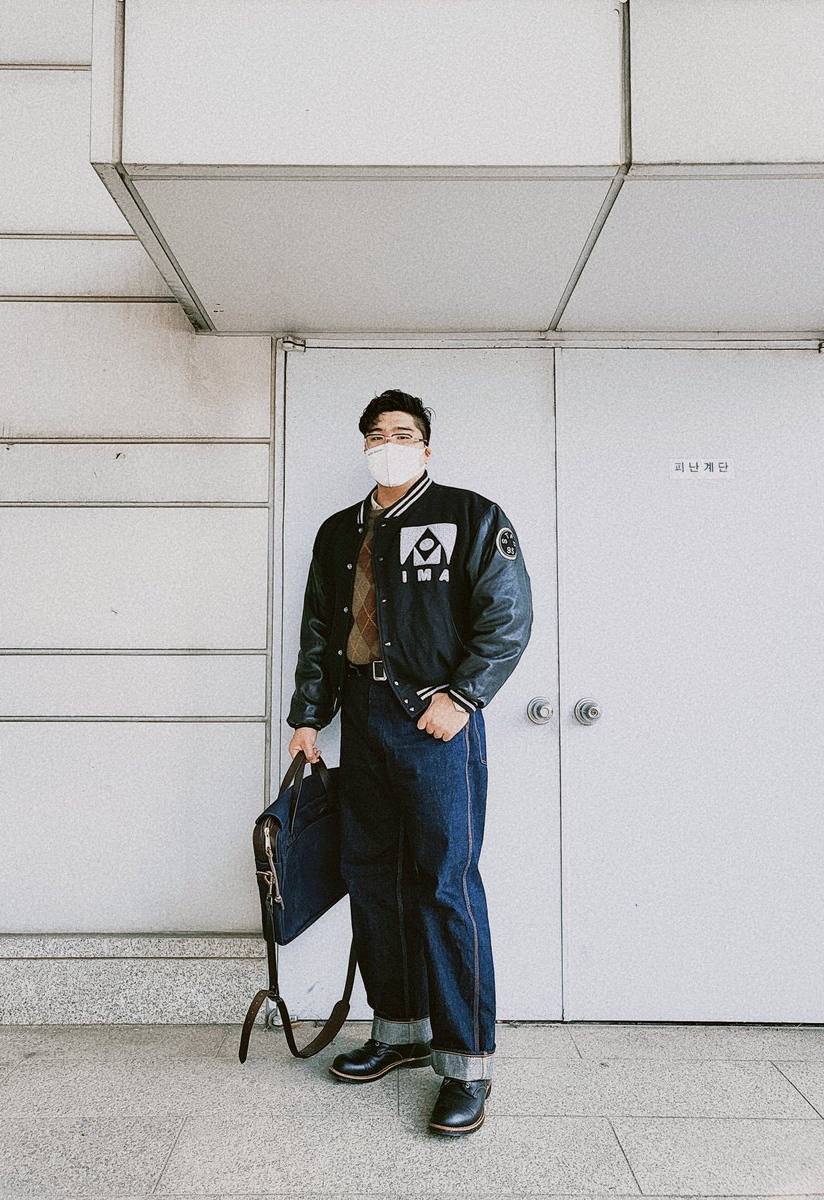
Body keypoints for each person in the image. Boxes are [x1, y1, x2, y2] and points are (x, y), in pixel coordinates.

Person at [286, 388, 533, 1137]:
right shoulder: (339, 531)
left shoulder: (470, 517)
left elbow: (508, 618)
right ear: (364, 446)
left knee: (444, 886)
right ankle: (399, 1032)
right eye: (377, 434)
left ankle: (467, 1064)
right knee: (372, 878)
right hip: (363, 722)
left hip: (436, 727)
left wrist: (463, 697)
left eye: (403, 433)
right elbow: (320, 629)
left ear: (426, 447)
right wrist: (308, 716)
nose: (388, 444)